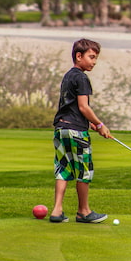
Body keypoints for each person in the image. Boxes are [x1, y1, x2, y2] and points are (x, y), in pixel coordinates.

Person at [50, 38, 111, 224]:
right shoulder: (82, 78)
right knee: (84, 171)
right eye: (91, 57)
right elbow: (83, 107)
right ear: (79, 56)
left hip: (61, 129)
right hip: (76, 131)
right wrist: (100, 124)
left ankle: (56, 210)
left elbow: (71, 106)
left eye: (95, 58)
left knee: (63, 168)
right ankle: (83, 211)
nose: (94, 62)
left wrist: (88, 122)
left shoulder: (68, 76)